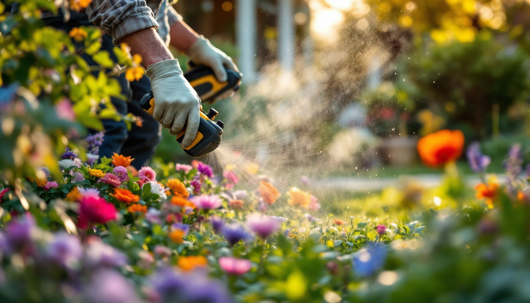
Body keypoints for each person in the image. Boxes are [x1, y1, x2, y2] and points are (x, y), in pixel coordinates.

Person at [42, 0, 240, 169]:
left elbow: (150, 5)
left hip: (119, 30)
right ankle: (71, 205)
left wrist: (195, 46)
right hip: (70, 23)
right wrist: (164, 69)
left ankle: (118, 205)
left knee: (143, 132)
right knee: (105, 130)